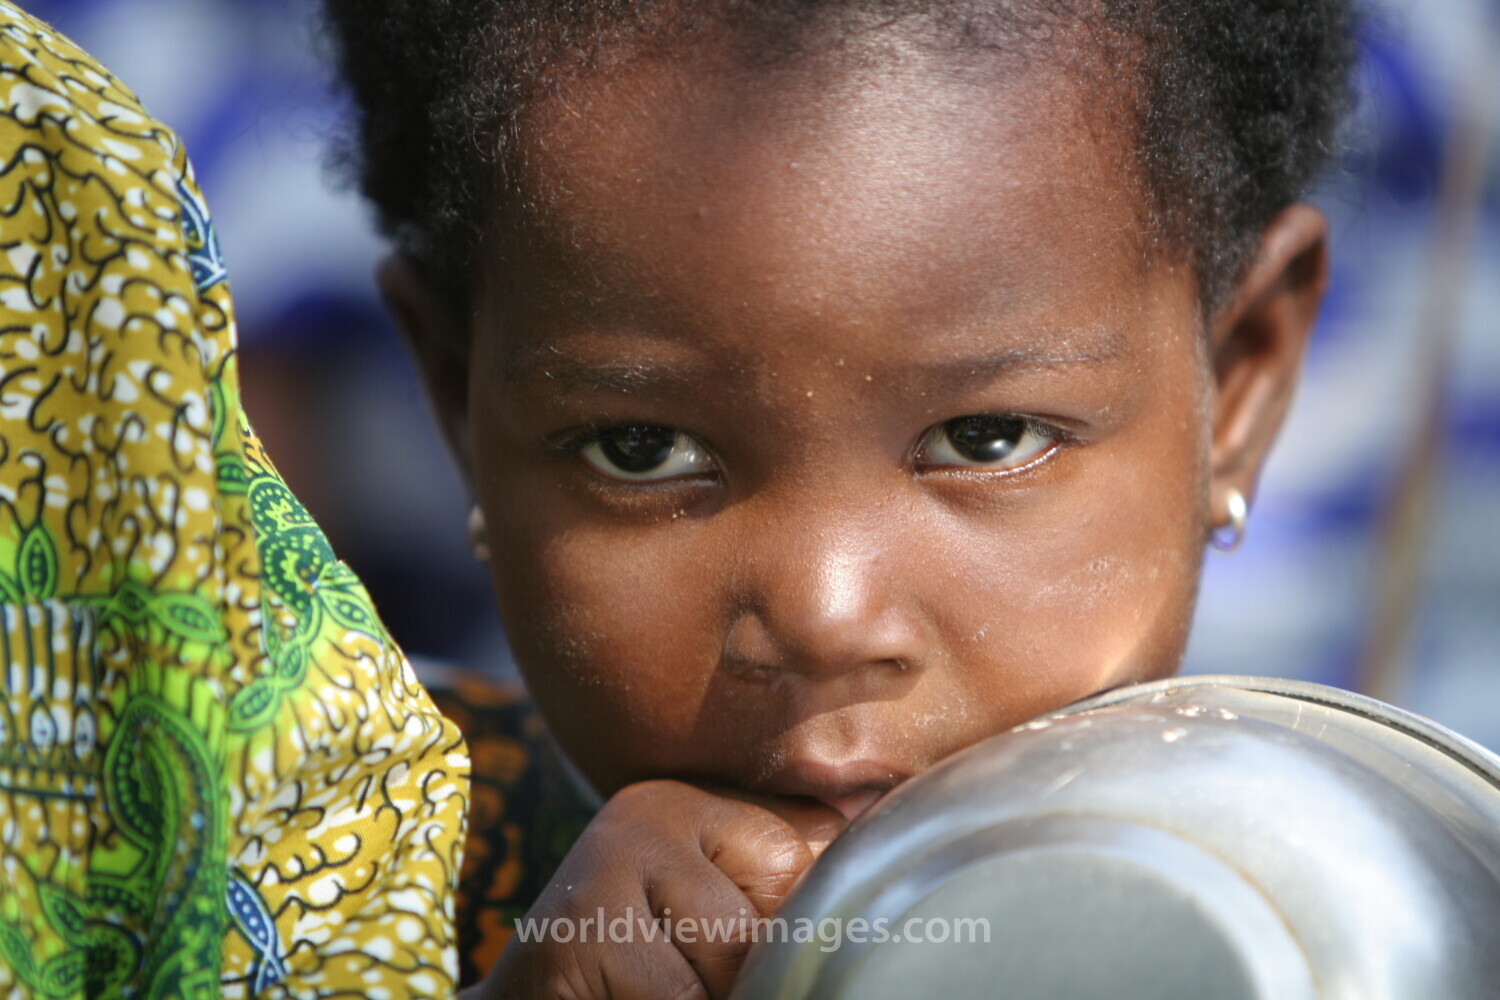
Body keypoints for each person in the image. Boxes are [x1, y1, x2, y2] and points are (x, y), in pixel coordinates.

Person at [321, 1, 1358, 997]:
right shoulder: (330, 855)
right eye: (641, 448)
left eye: (985, 438)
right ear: (459, 401)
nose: (824, 618)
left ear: (1237, 374)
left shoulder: (1374, 926)